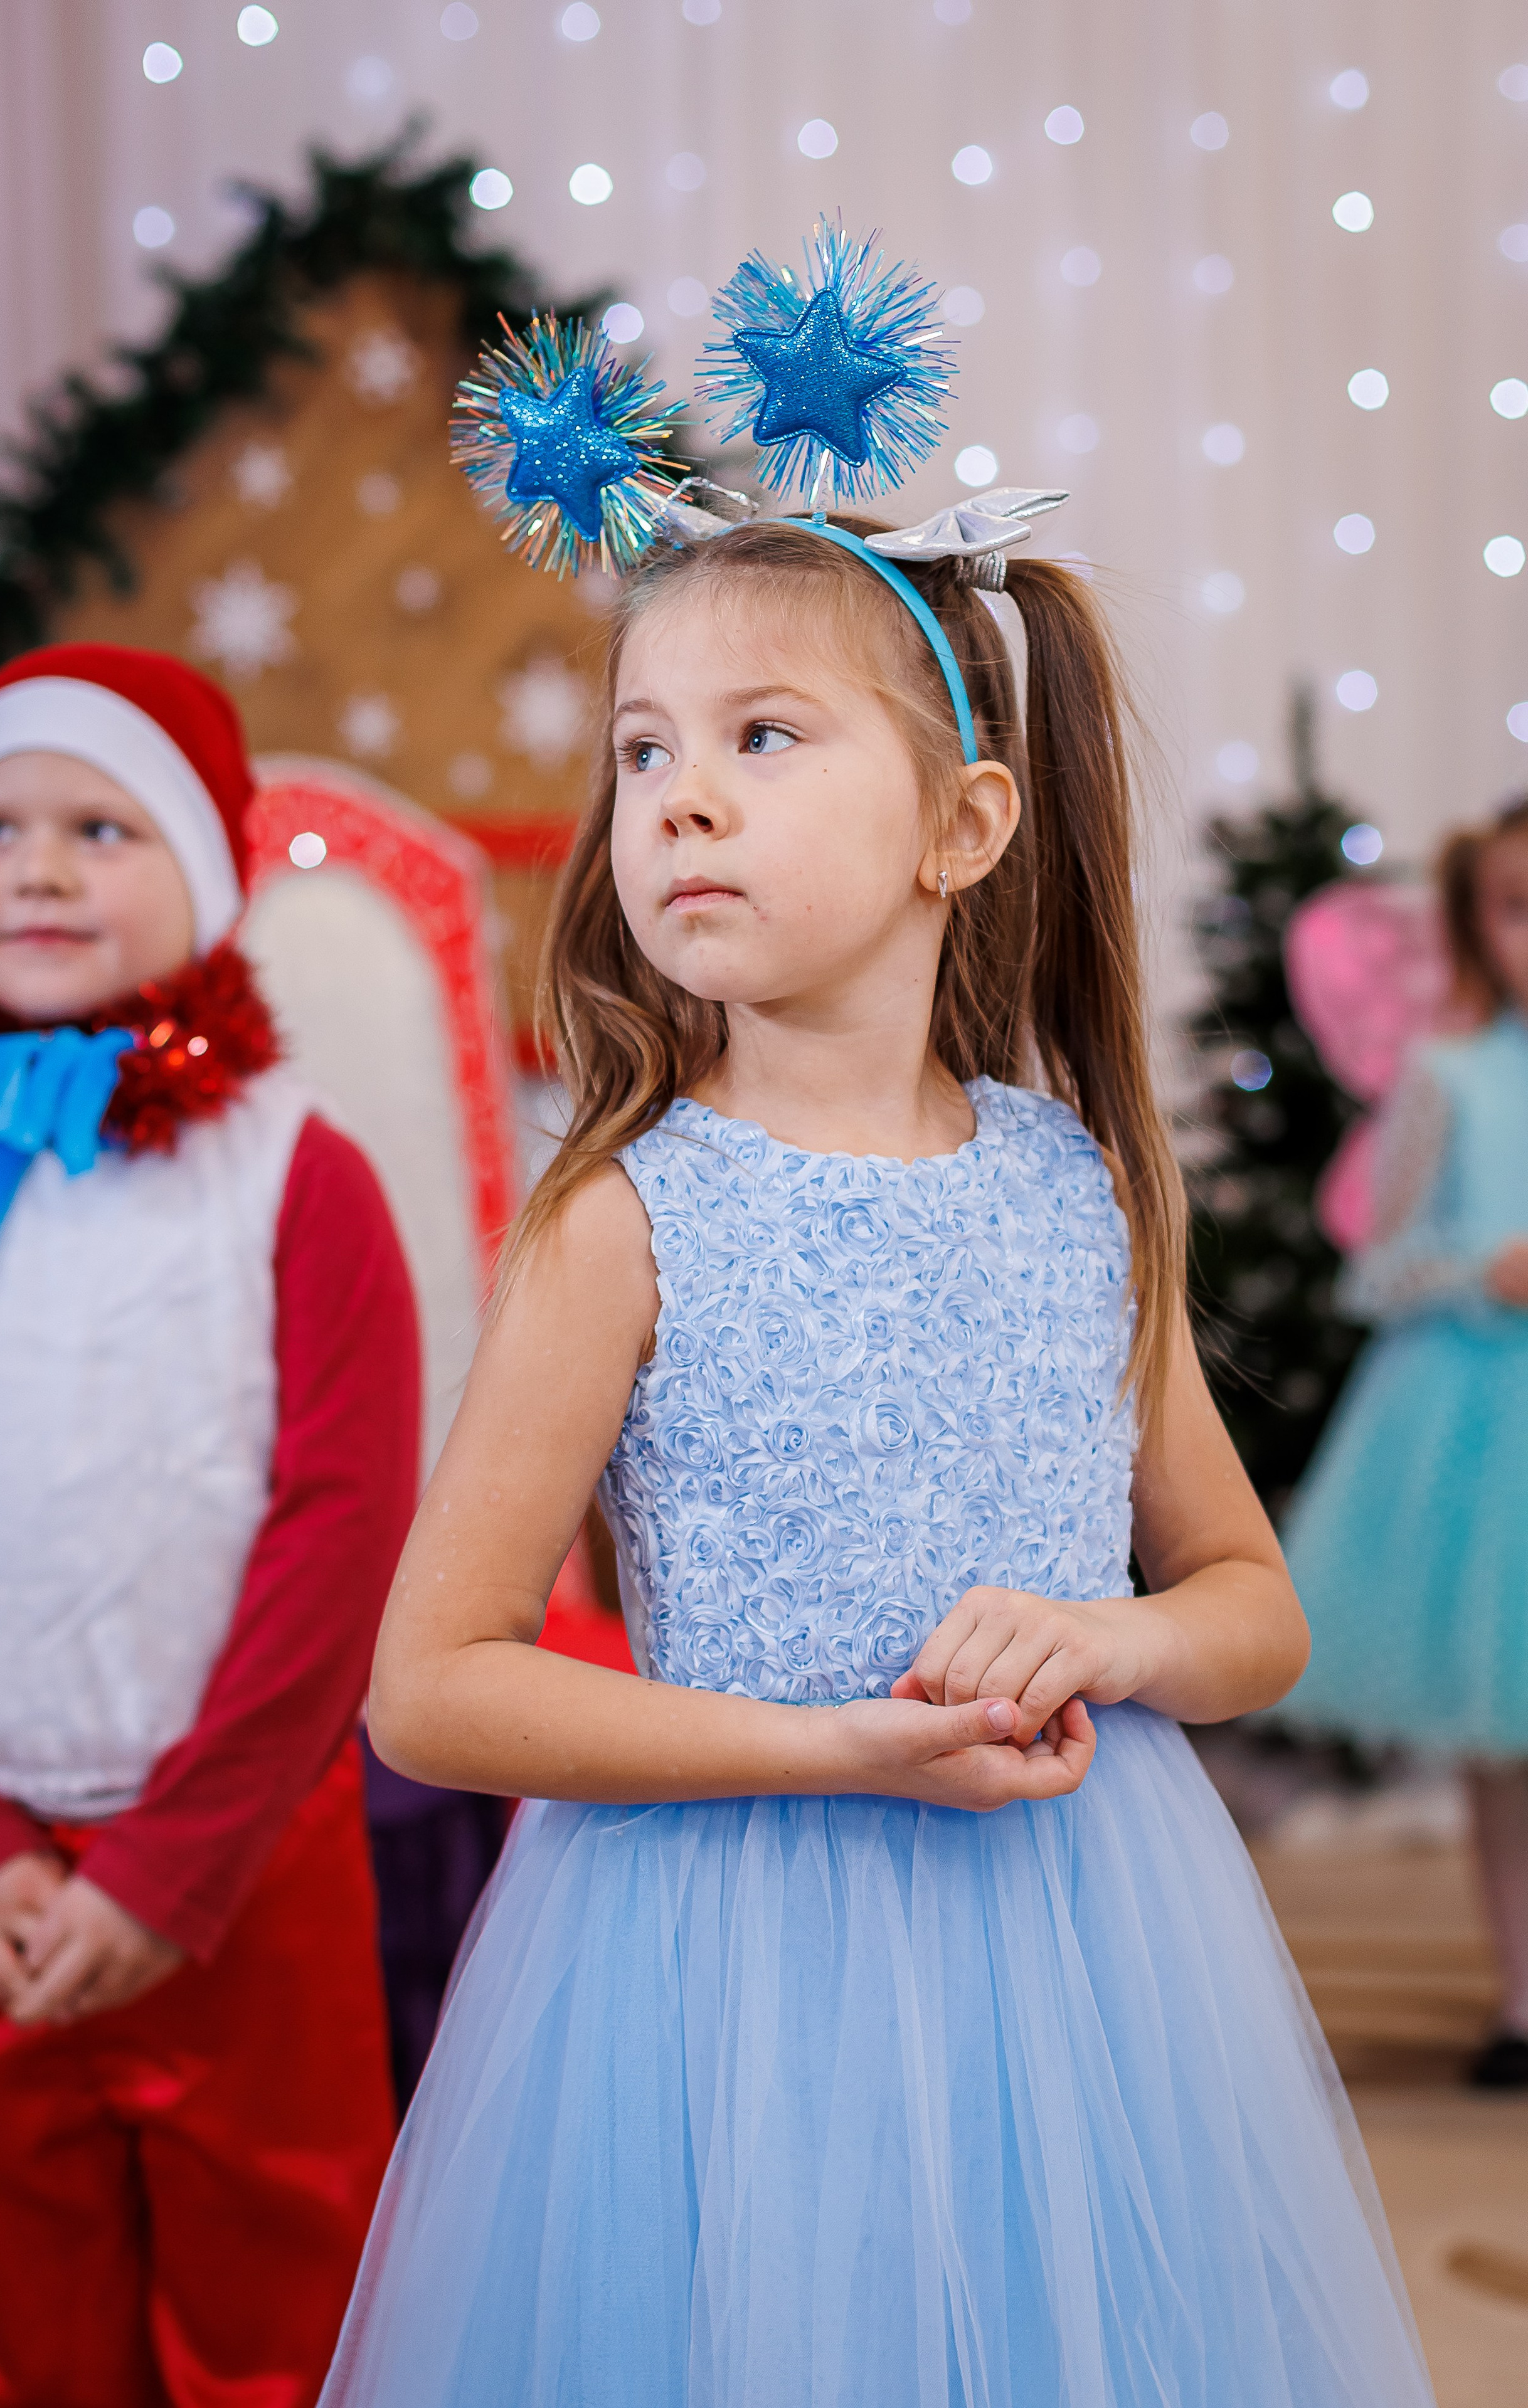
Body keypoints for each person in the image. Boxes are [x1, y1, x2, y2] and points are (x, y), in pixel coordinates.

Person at [321, 517, 1435, 2407]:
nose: (677, 799)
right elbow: (431, 1692)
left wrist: (1112, 1637)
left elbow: (1252, 1615)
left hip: (1080, 1961)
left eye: (761, 736)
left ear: (961, 826)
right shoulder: (620, 1224)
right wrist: (837, 1747)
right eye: (643, 748)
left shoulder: (1082, 1193)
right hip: (724, 1970)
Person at [0, 643, 419, 2408]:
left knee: (281, 2317)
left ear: (204, 871)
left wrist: (173, 1864)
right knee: (40, 2325)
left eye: (101, 828)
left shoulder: (299, 1172)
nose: (40, 871)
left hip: (240, 1867)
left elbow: (341, 1532)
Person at [1283, 796, 1528, 2091]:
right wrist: (1482, 1269)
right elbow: (1373, 1267)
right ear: (1476, 927)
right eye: (1517, 908)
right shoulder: (1449, 1075)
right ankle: (1521, 2000)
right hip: (1481, 1432)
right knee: (1504, 1746)